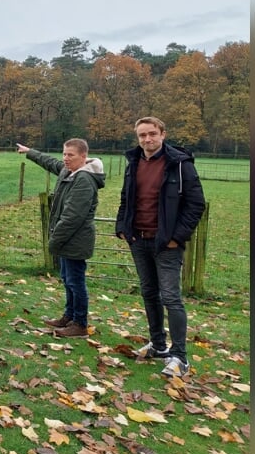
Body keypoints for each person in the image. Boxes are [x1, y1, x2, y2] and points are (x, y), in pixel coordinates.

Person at [116, 117, 206, 378]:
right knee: (149, 293)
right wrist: (123, 226)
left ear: (163, 134)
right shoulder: (133, 162)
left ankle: (180, 357)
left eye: (152, 134)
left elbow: (195, 204)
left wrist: (176, 237)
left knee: (171, 297)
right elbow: (126, 197)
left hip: (166, 243)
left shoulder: (179, 164)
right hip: (138, 240)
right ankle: (158, 345)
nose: (147, 139)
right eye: (142, 135)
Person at [17, 139, 106, 337]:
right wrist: (30, 152)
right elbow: (52, 163)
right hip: (68, 239)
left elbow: (72, 217)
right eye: (64, 154)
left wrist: (54, 241)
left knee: (75, 281)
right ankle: (69, 316)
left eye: (70, 155)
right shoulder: (70, 171)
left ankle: (80, 324)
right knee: (67, 279)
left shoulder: (83, 180)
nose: (65, 158)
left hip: (75, 239)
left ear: (83, 157)